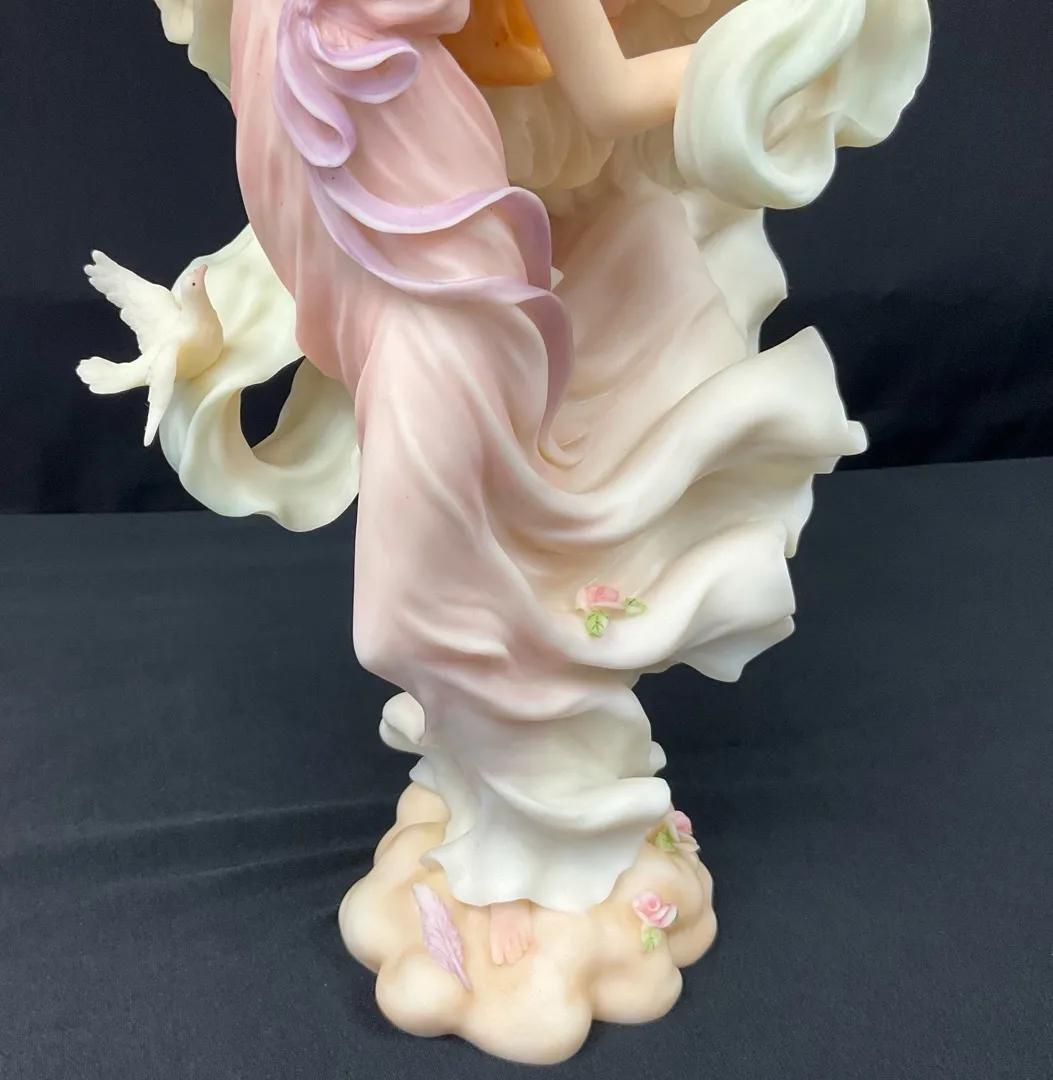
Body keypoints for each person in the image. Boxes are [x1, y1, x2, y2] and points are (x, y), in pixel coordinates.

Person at [142, 0, 931, 966]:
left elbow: (607, 95)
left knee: (400, 620)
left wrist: (790, 41)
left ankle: (554, 837)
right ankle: (518, 827)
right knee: (451, 593)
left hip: (451, 301)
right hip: (372, 299)